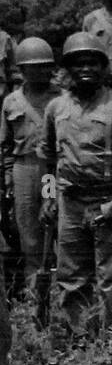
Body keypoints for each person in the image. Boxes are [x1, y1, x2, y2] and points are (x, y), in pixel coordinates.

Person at [38, 32, 112, 345]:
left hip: (109, 201)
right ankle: (81, 337)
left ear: (103, 67)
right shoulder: (56, 108)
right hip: (70, 202)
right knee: (72, 276)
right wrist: (48, 198)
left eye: (93, 62)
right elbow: (48, 159)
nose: (86, 68)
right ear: (68, 69)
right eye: (79, 63)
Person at [2, 38, 58, 292]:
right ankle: (36, 292)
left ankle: (63, 290)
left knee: (58, 225)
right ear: (21, 70)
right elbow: (5, 145)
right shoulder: (11, 102)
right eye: (32, 67)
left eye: (44, 67)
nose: (39, 72)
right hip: (24, 169)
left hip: (53, 169)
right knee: (28, 231)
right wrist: (7, 178)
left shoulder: (62, 98)